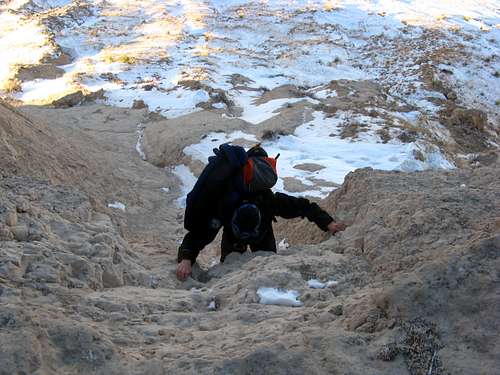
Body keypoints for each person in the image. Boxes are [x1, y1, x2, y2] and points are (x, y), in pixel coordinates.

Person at [176, 144, 346, 281]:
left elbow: (199, 235)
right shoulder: (250, 202)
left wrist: (329, 223)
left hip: (235, 240)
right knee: (266, 268)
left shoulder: (236, 203)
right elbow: (304, 206)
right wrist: (187, 259)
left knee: (231, 272)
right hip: (262, 237)